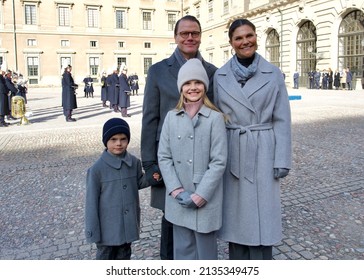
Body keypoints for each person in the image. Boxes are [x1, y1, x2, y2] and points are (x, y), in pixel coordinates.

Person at [214, 18, 292, 260]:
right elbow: (216, 119)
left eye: (249, 36)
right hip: (233, 150)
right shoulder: (220, 76)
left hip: (263, 149)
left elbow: (282, 119)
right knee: (236, 217)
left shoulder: (273, 73)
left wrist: (282, 159)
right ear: (231, 43)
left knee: (262, 217)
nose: (245, 41)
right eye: (238, 38)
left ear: (256, 37)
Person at [141, 15, 217, 260]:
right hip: (168, 161)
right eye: (184, 33)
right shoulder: (158, 71)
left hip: (202, 160)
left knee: (200, 213)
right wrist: (149, 163)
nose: (189, 38)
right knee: (170, 217)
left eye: (194, 33)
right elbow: (150, 119)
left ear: (200, 36)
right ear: (175, 37)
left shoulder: (212, 73)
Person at [158, 59, 227, 260]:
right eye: (187, 83)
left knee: (205, 253)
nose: (193, 87)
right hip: (178, 196)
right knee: (183, 251)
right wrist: (175, 189)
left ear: (205, 86)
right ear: (181, 88)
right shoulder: (172, 117)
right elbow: (164, 156)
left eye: (198, 82)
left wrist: (201, 194)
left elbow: (219, 161)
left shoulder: (214, 118)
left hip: (204, 196)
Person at [85, 118, 158, 260]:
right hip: (107, 231)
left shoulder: (134, 163)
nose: (118, 143)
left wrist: (152, 178)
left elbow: (138, 183)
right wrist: (92, 231)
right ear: (106, 141)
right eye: (113, 139)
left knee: (124, 257)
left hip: (126, 228)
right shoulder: (96, 170)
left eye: (123, 139)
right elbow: (91, 203)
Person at [0, 62, 10, 127]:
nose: (4, 73)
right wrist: (6, 91)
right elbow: (2, 86)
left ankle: (2, 121)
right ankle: (1, 122)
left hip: (3, 93)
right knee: (1, 108)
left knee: (3, 108)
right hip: (1, 94)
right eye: (3, 71)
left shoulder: (1, 77)